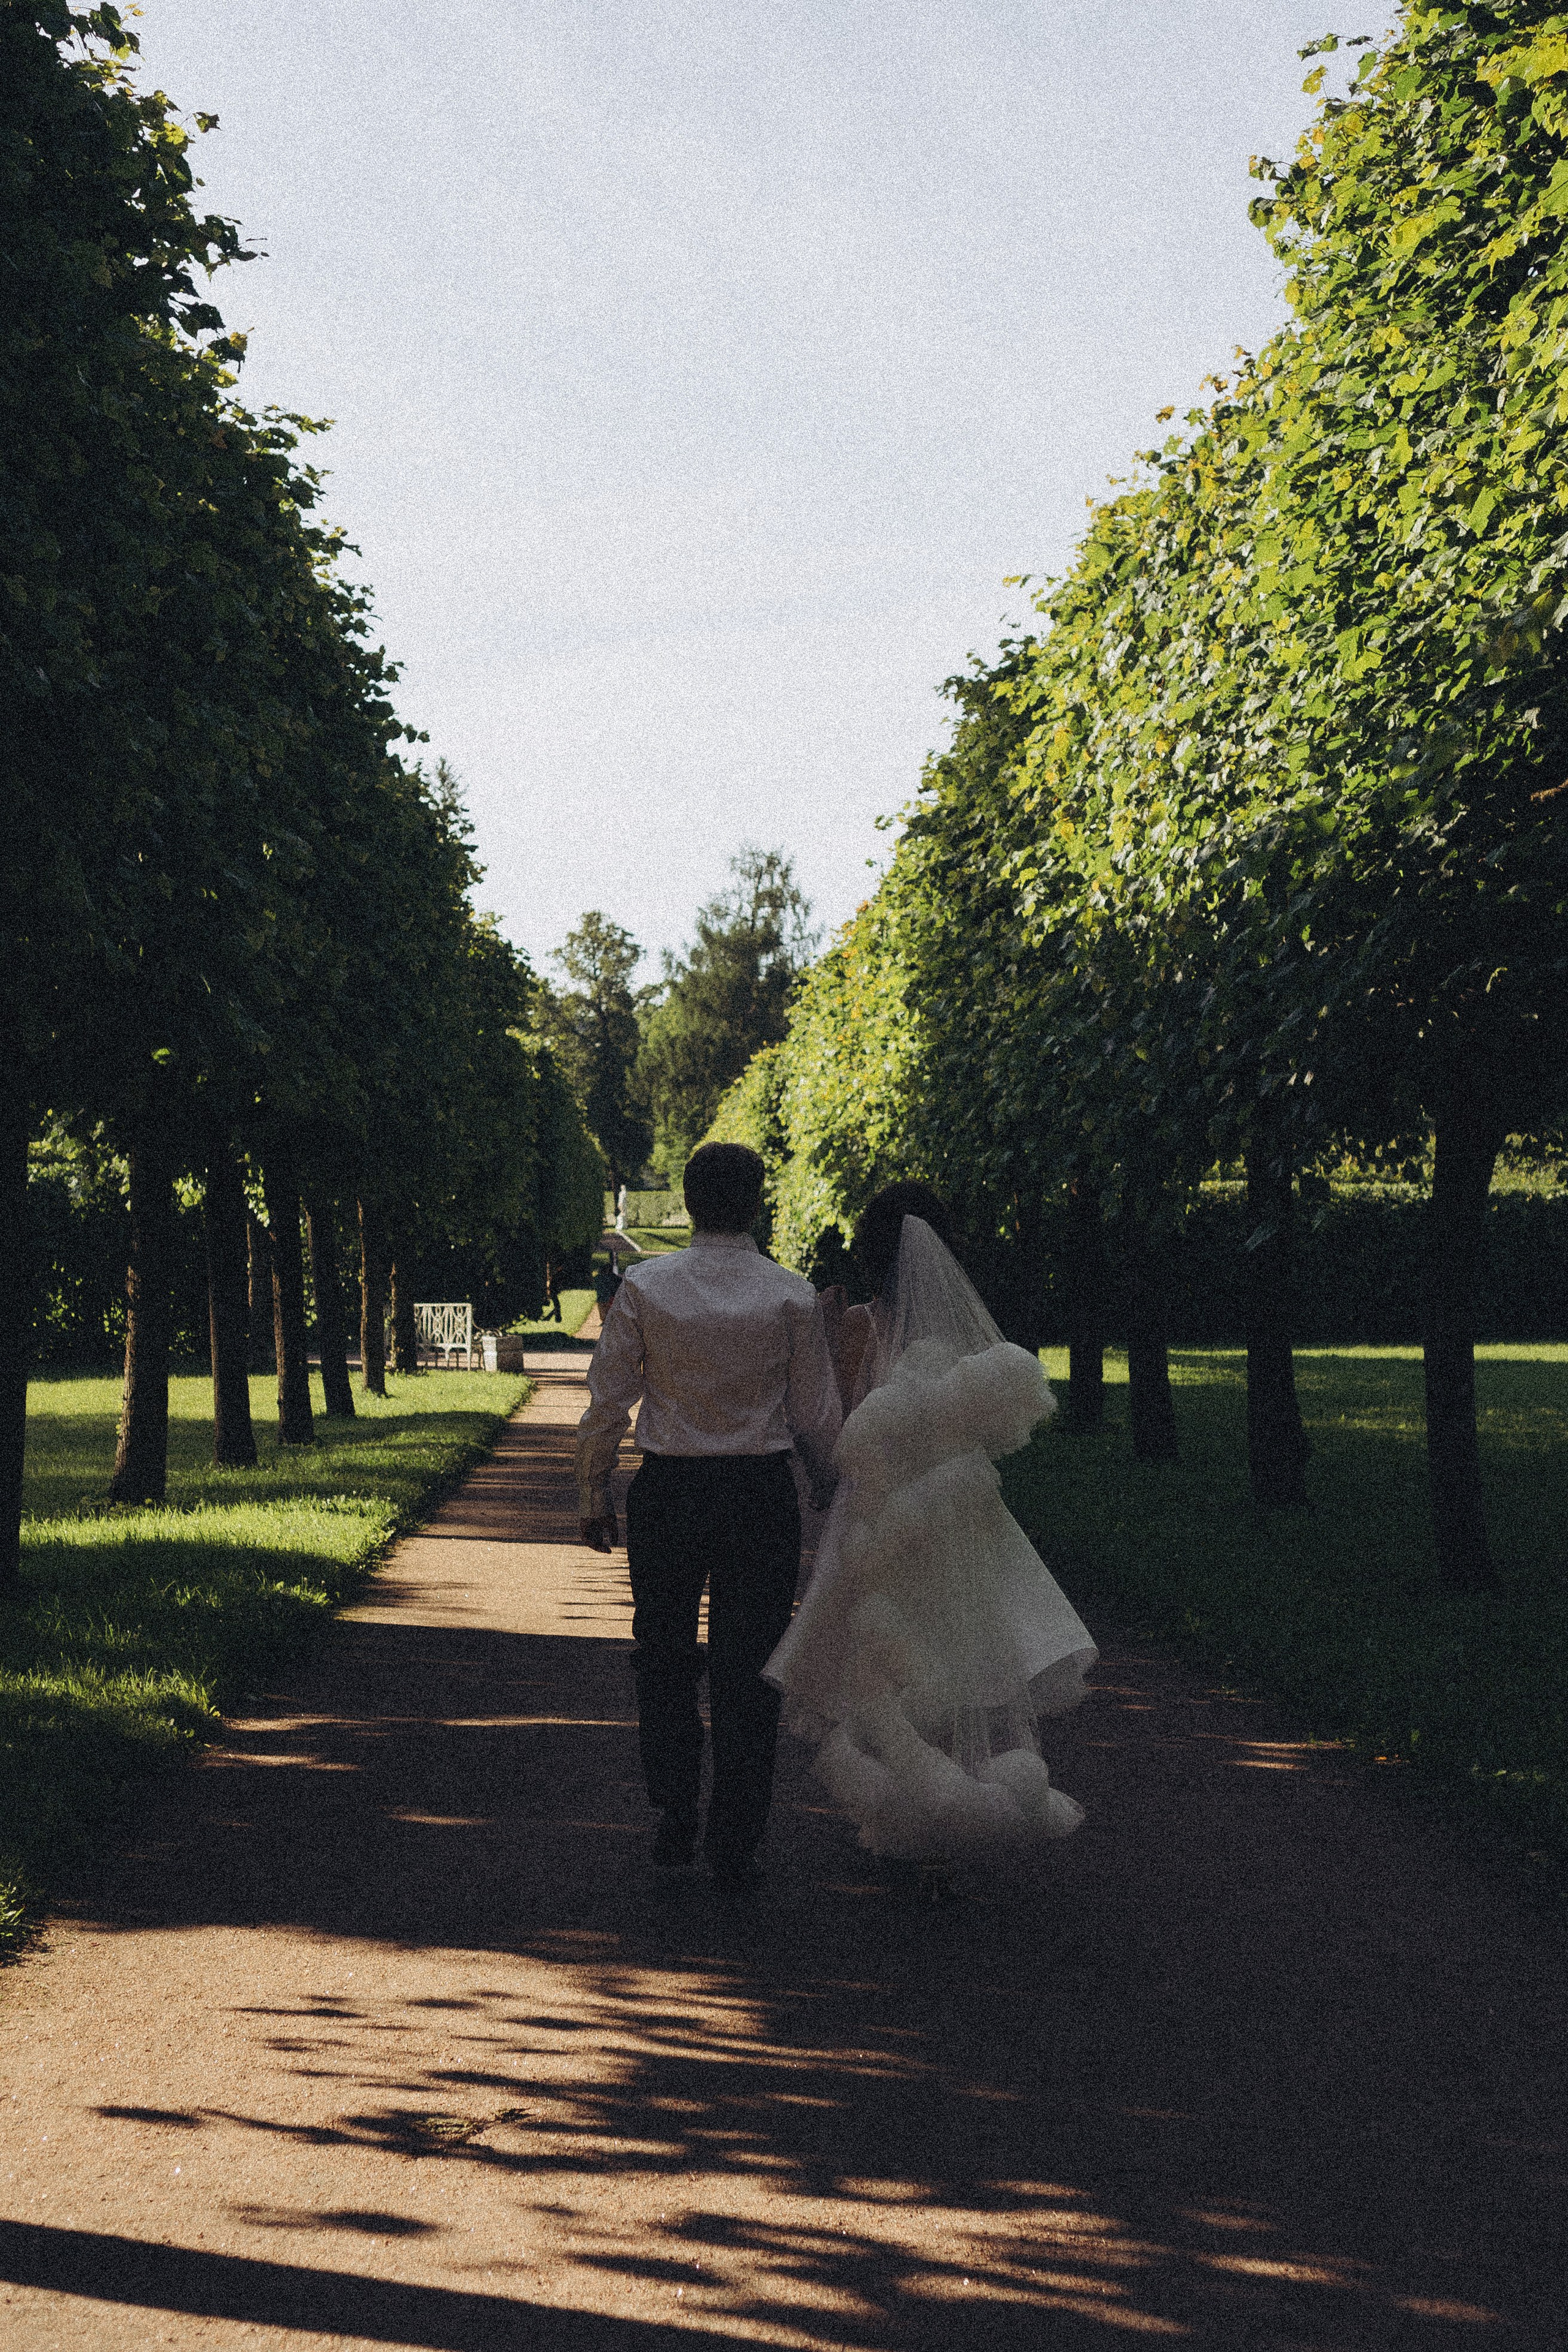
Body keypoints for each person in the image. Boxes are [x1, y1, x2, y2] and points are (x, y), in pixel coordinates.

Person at [766, 1183, 1097, 1871]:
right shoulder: (961, 1334)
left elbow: (840, 1440)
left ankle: (906, 1806)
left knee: (883, 1662)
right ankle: (971, 1797)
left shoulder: (858, 1325)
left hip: (879, 1520)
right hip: (954, 1513)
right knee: (967, 1644)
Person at [576, 1141, 841, 1889]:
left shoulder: (646, 1287)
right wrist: (826, 1485)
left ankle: (672, 1809)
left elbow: (608, 1397)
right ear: (756, 1202)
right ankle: (736, 1835)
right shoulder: (790, 1293)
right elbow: (815, 1412)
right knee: (750, 1668)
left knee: (661, 1655)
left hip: (669, 1493)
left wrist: (593, 1489)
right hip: (759, 1496)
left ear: (690, 1203)